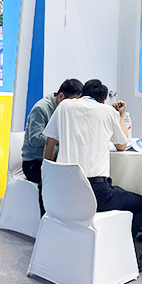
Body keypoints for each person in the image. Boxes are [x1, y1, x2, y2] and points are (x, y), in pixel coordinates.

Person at [42, 81, 142, 240]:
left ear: (81, 94)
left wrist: (47, 174)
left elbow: (50, 143)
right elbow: (122, 145)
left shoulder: (64, 106)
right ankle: (124, 248)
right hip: (95, 193)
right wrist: (120, 115)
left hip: (62, 189)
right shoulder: (108, 111)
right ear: (104, 100)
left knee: (116, 189)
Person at [21, 78, 83, 214]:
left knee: (78, 178)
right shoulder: (41, 109)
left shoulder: (66, 109)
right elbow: (34, 139)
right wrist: (60, 139)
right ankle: (47, 217)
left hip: (55, 161)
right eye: (72, 101)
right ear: (61, 96)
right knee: (60, 182)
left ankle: (68, 217)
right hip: (34, 164)